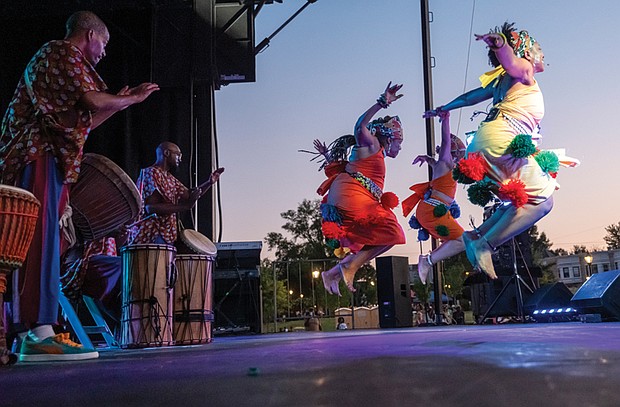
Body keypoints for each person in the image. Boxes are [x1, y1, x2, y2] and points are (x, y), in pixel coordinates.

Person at [0, 10, 159, 362]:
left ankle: (31, 331)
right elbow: (91, 100)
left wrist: (120, 103)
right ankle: (37, 332)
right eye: (104, 44)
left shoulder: (62, 66)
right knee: (41, 239)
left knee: (44, 242)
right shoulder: (60, 53)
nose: (104, 52)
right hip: (36, 154)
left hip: (46, 156)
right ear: (90, 35)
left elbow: (87, 119)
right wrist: (131, 100)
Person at [423, 22, 557, 279]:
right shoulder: (523, 71)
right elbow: (511, 62)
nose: (542, 52)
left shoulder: (501, 81)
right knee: (544, 202)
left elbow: (471, 96)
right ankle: (486, 244)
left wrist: (445, 108)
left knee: (520, 202)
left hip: (483, 143)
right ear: (526, 51)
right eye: (537, 47)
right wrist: (500, 45)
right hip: (500, 140)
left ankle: (476, 235)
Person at [315, 83, 406, 296]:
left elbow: (350, 167)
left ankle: (335, 272)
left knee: (387, 237)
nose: (400, 147)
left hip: (351, 196)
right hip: (352, 197)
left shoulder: (374, 152)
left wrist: (328, 157)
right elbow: (359, 126)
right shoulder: (372, 145)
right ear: (389, 137)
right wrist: (382, 103)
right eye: (399, 142)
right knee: (393, 232)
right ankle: (349, 267)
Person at [402, 110, 466, 284]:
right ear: (454, 154)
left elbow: (435, 163)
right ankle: (427, 261)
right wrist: (446, 119)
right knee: (462, 240)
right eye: (460, 155)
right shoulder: (446, 163)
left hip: (432, 210)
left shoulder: (442, 165)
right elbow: (445, 141)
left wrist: (428, 158)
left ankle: (429, 261)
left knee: (456, 240)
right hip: (431, 210)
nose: (461, 159)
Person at [129, 141, 224, 245]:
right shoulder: (151, 173)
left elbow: (189, 195)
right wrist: (185, 206)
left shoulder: (169, 178)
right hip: (151, 233)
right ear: (167, 153)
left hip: (166, 233)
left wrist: (209, 183)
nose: (180, 159)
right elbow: (151, 208)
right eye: (178, 155)